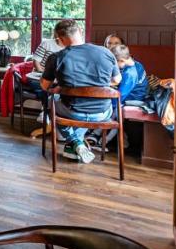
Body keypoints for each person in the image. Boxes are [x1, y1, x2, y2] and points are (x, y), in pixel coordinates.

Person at [41, 20, 121, 164]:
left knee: (51, 102)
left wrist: (61, 86)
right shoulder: (105, 52)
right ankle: (76, 147)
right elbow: (117, 80)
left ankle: (76, 143)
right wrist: (97, 86)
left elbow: (45, 86)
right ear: (81, 32)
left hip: (73, 112)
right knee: (70, 108)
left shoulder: (57, 57)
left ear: (59, 39)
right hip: (103, 113)